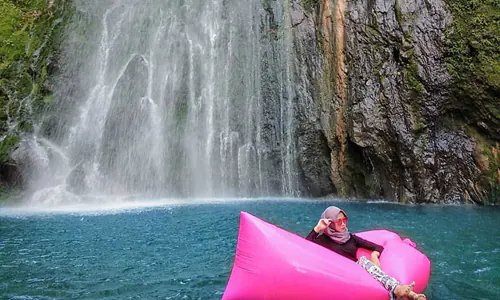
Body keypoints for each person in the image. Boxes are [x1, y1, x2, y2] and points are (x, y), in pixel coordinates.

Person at [306, 206, 426, 300]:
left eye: (344, 220)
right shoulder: (322, 240)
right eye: (338, 221)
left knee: (364, 263)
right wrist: (318, 228)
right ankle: (405, 293)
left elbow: (378, 247)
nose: (343, 224)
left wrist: (374, 255)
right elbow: (304, 248)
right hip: (338, 274)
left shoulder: (351, 238)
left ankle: (410, 295)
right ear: (330, 223)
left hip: (359, 274)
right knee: (363, 262)